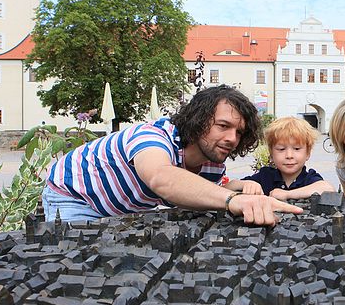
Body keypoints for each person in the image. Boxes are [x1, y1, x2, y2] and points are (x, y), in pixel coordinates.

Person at [42, 85, 302, 225]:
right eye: (223, 126)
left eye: (238, 132)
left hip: (118, 209)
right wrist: (233, 200)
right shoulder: (152, 137)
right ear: (199, 120)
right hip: (74, 197)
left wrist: (241, 186)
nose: (232, 138)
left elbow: (207, 189)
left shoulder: (212, 159)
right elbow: (162, 177)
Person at [227, 117, 335, 199]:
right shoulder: (265, 177)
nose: (289, 156)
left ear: (308, 153)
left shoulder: (309, 178)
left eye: (297, 149)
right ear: (271, 154)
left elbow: (328, 189)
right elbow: (228, 187)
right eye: (281, 149)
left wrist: (287, 194)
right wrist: (245, 184)